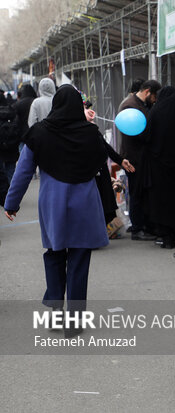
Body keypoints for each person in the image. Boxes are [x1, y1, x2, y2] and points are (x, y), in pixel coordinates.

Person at [3, 85, 109, 338]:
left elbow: (24, 171)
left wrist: (11, 203)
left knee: (54, 253)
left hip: (54, 202)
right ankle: (74, 322)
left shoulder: (39, 133)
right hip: (84, 202)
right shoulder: (91, 133)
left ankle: (55, 306)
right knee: (79, 260)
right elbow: (100, 163)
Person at [140, 86, 175, 248]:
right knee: (174, 200)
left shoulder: (155, 113)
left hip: (158, 166)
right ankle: (172, 231)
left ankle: (165, 235)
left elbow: (146, 136)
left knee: (159, 201)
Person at [83, 94, 135, 239]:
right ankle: (91, 235)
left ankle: (98, 233)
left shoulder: (91, 127)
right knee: (93, 204)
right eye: (85, 108)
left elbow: (103, 145)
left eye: (88, 107)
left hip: (99, 171)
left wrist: (119, 160)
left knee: (102, 203)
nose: (89, 111)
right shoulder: (76, 128)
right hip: (87, 173)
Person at [118, 79, 161, 241]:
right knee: (137, 192)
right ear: (148, 91)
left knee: (141, 191)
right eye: (155, 96)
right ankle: (137, 228)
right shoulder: (131, 106)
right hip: (134, 157)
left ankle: (142, 225)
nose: (155, 100)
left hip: (139, 155)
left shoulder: (138, 104)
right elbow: (137, 132)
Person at [0, 93, 19, 204]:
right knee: (11, 170)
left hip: (1, 147)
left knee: (1, 172)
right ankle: (13, 195)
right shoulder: (11, 110)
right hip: (12, 147)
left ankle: (4, 193)